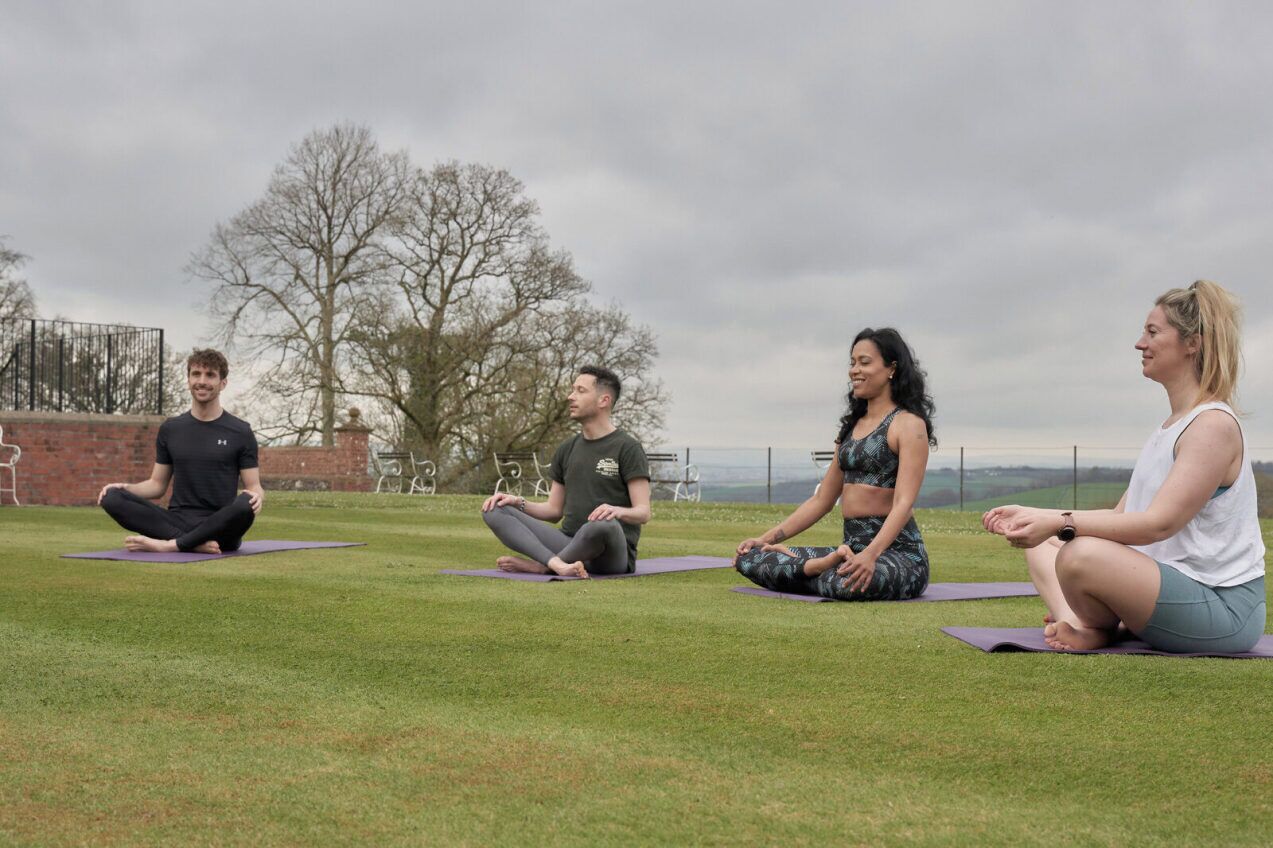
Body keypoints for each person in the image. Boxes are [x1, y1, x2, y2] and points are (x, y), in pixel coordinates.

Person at [983, 280, 1266, 653]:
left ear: (1192, 343)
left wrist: (1059, 521)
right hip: (1170, 586)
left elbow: (1157, 524)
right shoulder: (1170, 428)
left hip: (1222, 608)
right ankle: (1086, 624)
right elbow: (1120, 518)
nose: (1139, 343)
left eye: (1152, 332)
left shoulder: (1212, 425)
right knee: (1043, 545)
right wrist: (1038, 516)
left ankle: (1091, 624)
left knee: (1078, 553)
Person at [735, 328, 935, 600]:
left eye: (864, 362)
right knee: (749, 558)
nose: (855, 370)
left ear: (891, 369)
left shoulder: (909, 425)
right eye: (852, 363)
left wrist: (870, 555)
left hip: (898, 555)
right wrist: (767, 539)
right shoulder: (851, 429)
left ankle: (806, 571)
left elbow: (903, 503)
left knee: (847, 583)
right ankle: (820, 567)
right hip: (850, 548)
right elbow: (822, 501)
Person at [480, 365, 651, 578]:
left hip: (610, 553)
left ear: (603, 400)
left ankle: (543, 566)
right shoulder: (566, 449)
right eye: (572, 390)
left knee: (601, 525)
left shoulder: (627, 448)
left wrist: (617, 511)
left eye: (580, 391)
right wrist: (517, 502)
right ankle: (556, 563)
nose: (571, 397)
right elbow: (553, 511)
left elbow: (643, 512)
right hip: (568, 544)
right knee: (494, 509)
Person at [97, 348, 263, 554]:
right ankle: (193, 543)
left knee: (245, 504)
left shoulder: (240, 431)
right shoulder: (171, 429)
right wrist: (125, 488)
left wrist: (256, 496)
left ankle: (171, 545)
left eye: (210, 375)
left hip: (222, 525)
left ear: (223, 383)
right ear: (188, 380)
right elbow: (157, 485)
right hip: (176, 520)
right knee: (111, 497)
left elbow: (254, 486)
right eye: (196, 374)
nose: (202, 381)